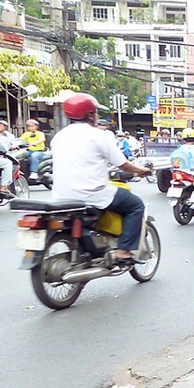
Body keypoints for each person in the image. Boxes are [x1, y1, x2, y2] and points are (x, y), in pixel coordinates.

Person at [51, 93, 152, 264]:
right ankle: (123, 251)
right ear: (90, 114)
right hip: (92, 194)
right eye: (96, 112)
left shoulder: (58, 136)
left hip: (62, 196)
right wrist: (140, 170)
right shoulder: (98, 135)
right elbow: (123, 164)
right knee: (135, 206)